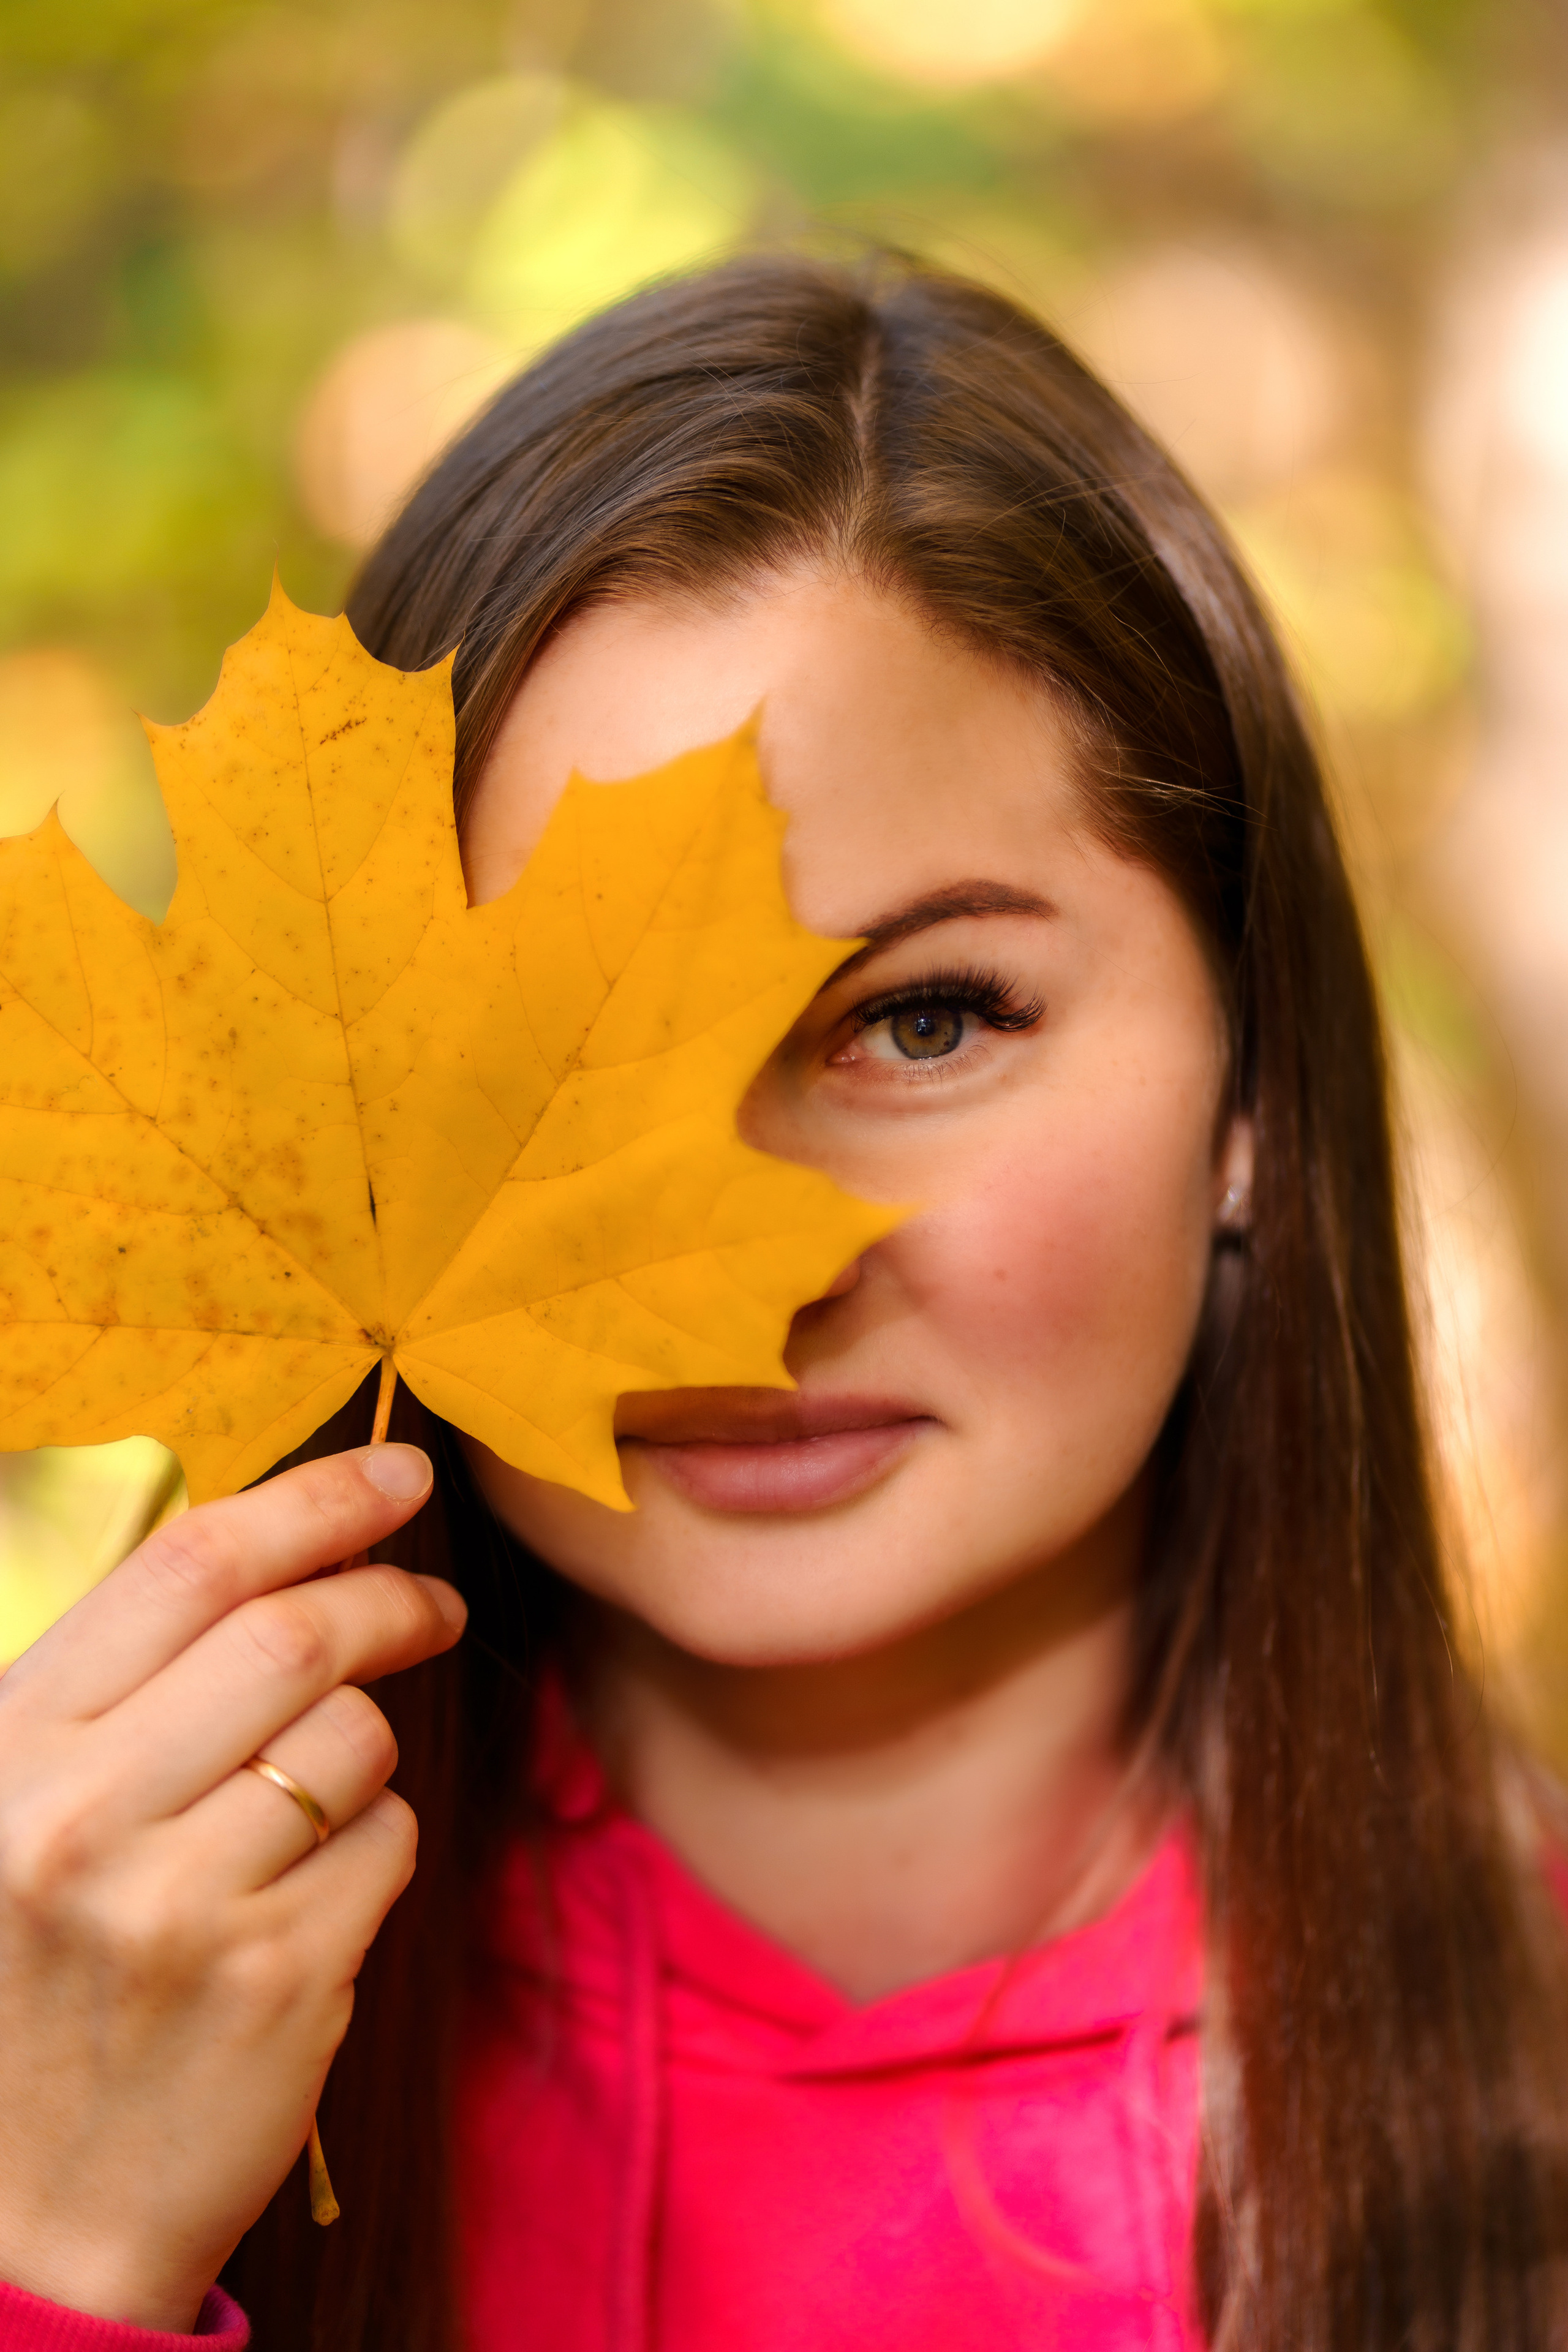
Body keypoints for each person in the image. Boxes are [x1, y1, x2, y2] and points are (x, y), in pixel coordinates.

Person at [1, 253, 1566, 2352]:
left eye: (928, 1020)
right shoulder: (64, 2012)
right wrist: (58, 2258)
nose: (754, 1278)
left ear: (1252, 1089)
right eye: (552, 1068)